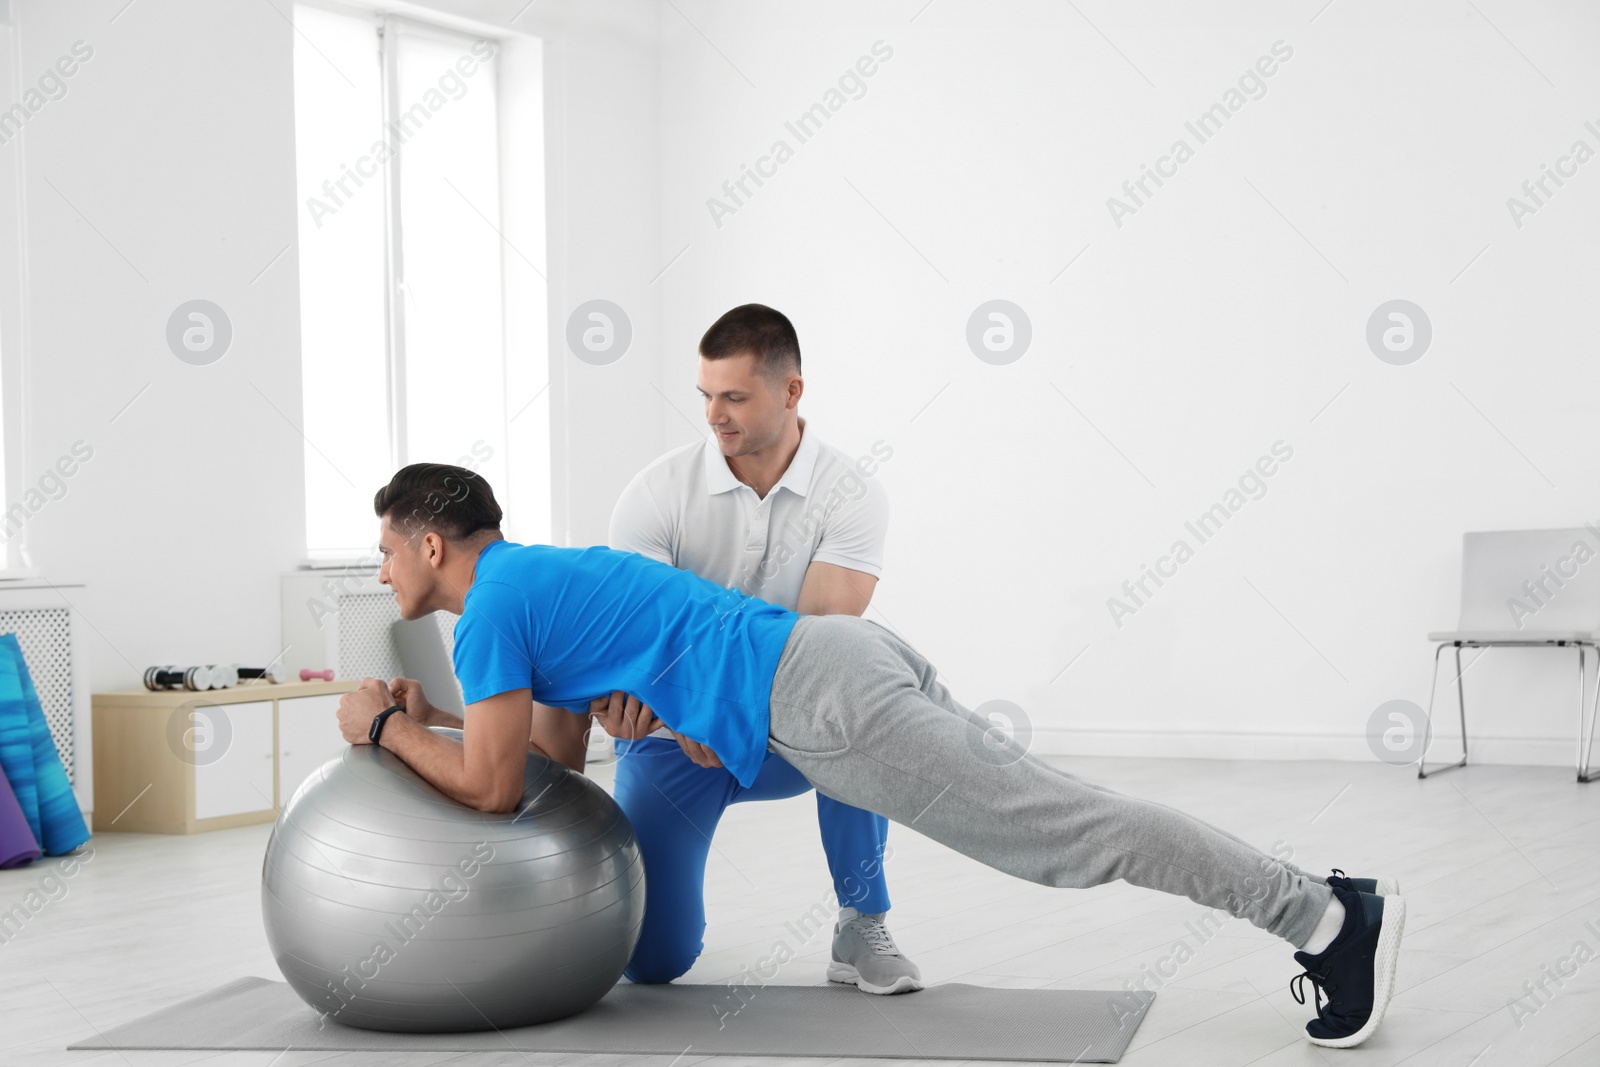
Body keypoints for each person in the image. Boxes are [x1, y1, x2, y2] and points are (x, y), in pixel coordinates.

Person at [338, 464, 1405, 1050]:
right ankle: (1318, 904)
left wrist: (384, 730)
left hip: (815, 700)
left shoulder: (485, 614)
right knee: (1068, 810)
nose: (381, 568)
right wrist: (435, 710)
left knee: (1068, 834)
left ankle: (1318, 911)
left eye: (386, 548)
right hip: (830, 657)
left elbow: (490, 787)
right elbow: (555, 757)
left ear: (431, 545)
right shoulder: (531, 578)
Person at [600, 303, 918, 993]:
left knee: (857, 695)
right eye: (707, 396)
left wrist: (724, 709)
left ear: (792, 390)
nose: (716, 414)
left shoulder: (850, 492)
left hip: (790, 731)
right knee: (652, 962)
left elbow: (821, 646)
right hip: (670, 734)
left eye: (735, 396)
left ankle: (862, 920)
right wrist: (682, 712)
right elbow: (639, 637)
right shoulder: (655, 492)